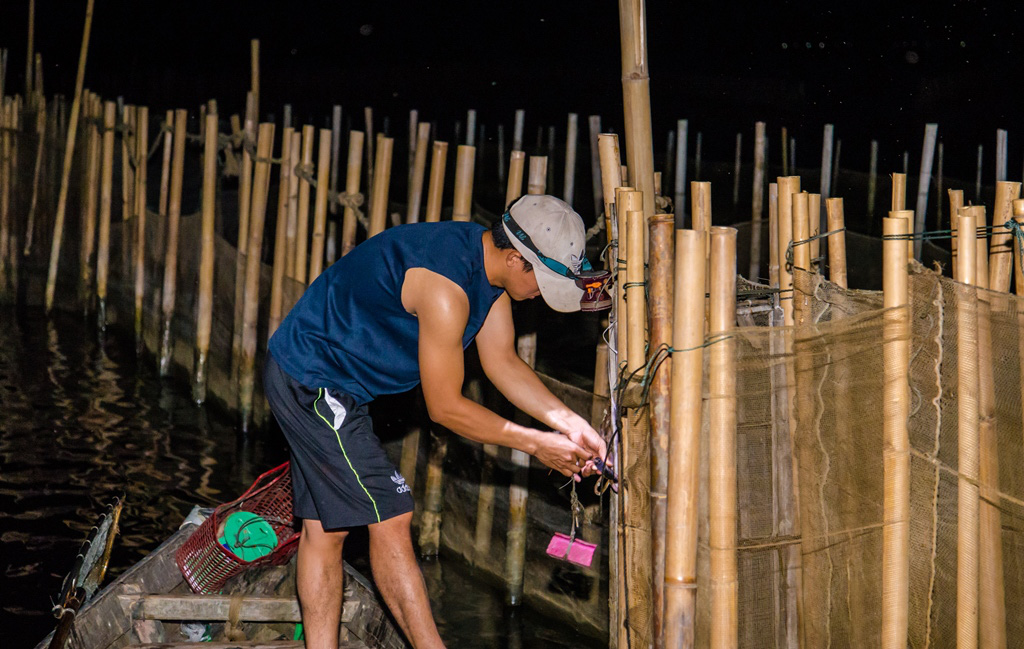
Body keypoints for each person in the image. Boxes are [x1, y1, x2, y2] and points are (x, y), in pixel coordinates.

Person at [264, 194, 609, 649]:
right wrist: (535, 444)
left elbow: (502, 363)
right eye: (543, 282)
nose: (543, 297)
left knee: (326, 530)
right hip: (313, 377)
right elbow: (444, 407)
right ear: (514, 258)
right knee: (391, 514)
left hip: (334, 382)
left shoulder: (488, 271)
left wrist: (571, 425)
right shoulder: (446, 290)